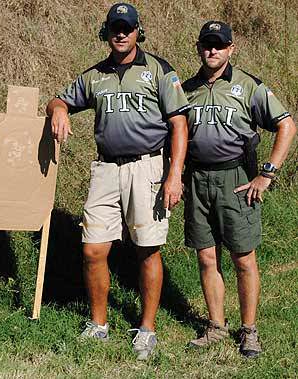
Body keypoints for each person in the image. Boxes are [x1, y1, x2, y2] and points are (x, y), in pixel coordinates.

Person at [47, 3, 189, 359]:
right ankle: (99, 325)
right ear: (106, 33)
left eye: (127, 27)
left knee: (147, 248)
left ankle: (147, 329)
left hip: (147, 168)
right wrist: (60, 109)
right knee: (93, 248)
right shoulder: (95, 75)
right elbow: (58, 99)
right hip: (106, 170)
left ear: (138, 30)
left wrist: (174, 175)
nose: (121, 33)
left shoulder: (157, 70)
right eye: (115, 28)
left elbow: (179, 125)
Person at [182, 21, 296, 358]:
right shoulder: (187, 89)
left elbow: (286, 126)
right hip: (197, 179)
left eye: (219, 45)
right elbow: (174, 134)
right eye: (207, 44)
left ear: (232, 48)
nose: (212, 50)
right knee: (206, 256)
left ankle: (249, 331)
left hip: (237, 180)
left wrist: (267, 175)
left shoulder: (248, 86)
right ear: (199, 47)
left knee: (243, 259)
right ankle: (216, 326)